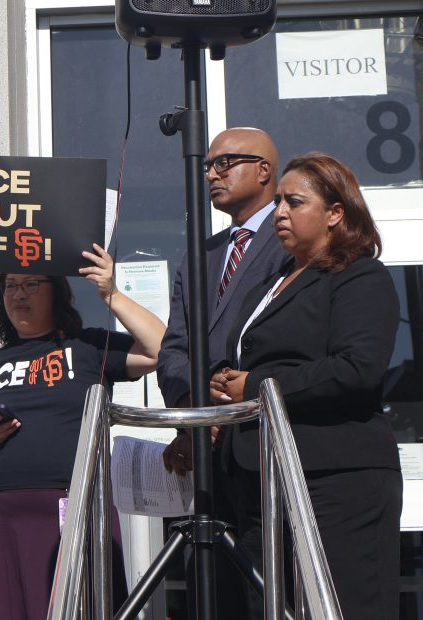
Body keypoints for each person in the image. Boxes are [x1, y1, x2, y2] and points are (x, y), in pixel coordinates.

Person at [212, 152, 401, 619]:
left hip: (333, 481)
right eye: (277, 202)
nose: (279, 212)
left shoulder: (359, 276)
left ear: (335, 213)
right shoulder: (270, 283)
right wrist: (224, 384)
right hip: (262, 479)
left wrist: (254, 385)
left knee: (340, 607)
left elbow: (357, 368)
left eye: (294, 202)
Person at [0, 244, 166, 620]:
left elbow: (160, 349)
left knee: (82, 604)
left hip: (75, 505)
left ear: (57, 293)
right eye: (11, 285)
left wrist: (111, 294)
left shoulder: (88, 346)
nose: (19, 293)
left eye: (32, 283)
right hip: (5, 513)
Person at [157, 128, 288, 618]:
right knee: (213, 592)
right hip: (209, 461)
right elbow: (173, 351)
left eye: (225, 162)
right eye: (208, 165)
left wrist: (231, 399)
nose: (211, 173)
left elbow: (286, 338)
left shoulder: (291, 240)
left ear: (264, 170)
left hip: (262, 451)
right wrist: (199, 412)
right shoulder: (200, 254)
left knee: (266, 591)